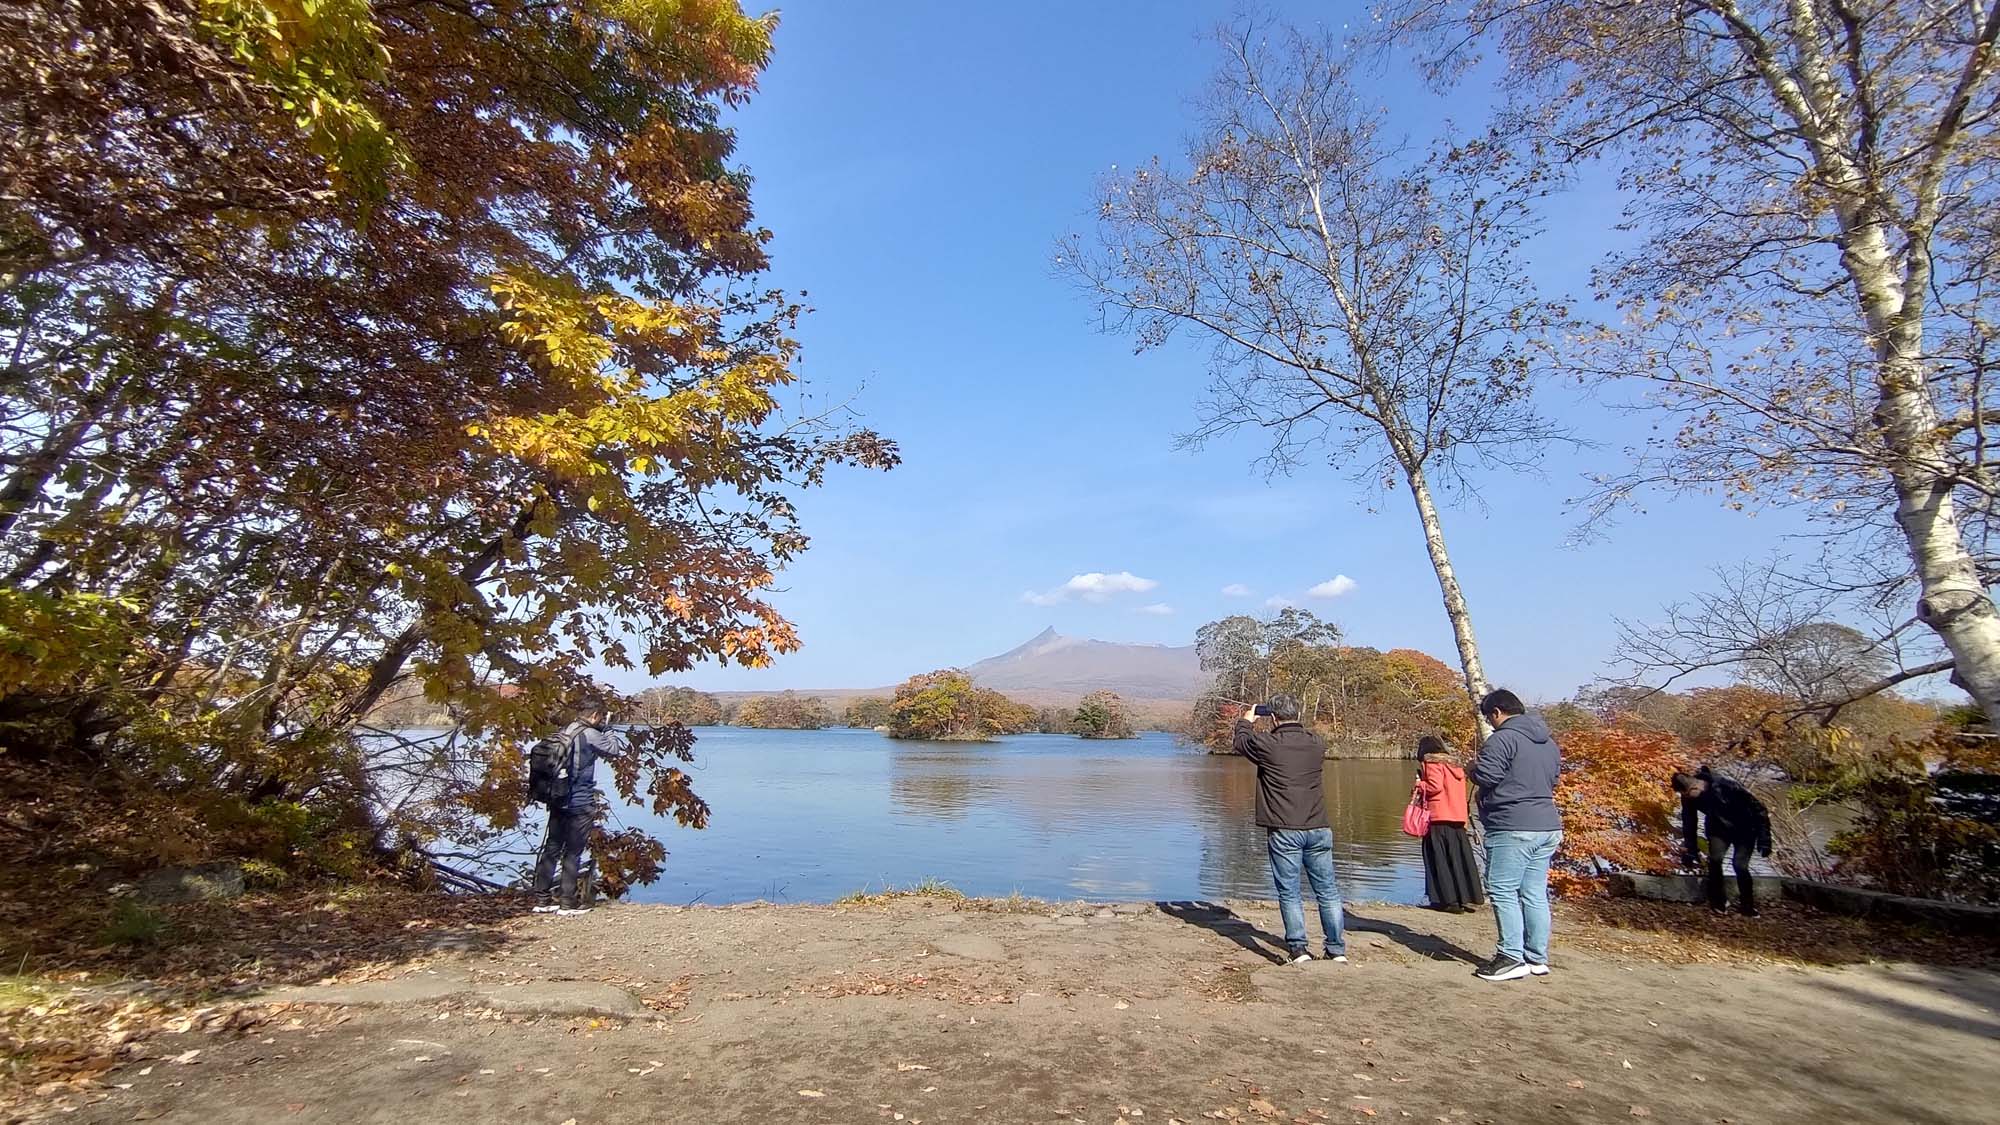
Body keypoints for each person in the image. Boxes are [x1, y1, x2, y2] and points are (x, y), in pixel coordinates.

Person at [1233, 693, 1347, 965]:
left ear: (1273, 717)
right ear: (1298, 714)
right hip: (1318, 826)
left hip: (1285, 829)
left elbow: (1241, 743)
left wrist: (1246, 721)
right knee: (1328, 890)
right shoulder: (1316, 744)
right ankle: (1336, 950)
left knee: (1289, 891)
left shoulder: (1268, 745)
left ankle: (1299, 949)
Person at [1468, 688, 1562, 983]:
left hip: (1512, 825)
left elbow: (1487, 776)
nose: (1490, 723)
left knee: (1502, 890)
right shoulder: (1548, 743)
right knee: (1534, 893)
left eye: (1488, 717)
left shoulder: (1503, 739)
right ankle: (1536, 957)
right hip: (1547, 825)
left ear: (1496, 712)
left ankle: (1510, 956)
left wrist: (1472, 768)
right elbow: (1554, 779)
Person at [532, 697, 618, 915]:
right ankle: (567, 904)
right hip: (579, 801)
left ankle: (541, 901)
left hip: (557, 798)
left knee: (552, 848)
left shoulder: (567, 730)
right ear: (595, 716)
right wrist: (608, 728)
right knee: (573, 852)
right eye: (600, 717)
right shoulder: (590, 734)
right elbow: (614, 749)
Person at [1673, 765, 1773, 917]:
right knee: (1715, 860)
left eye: (1686, 794)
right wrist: (1692, 850)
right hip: (1718, 830)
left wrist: (1765, 839)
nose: (1685, 798)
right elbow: (1689, 823)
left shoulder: (1725, 786)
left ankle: (1747, 906)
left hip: (1745, 828)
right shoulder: (1689, 798)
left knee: (1740, 865)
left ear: (1695, 787)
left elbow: (1759, 808)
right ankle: (1718, 902)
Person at [1415, 735, 1484, 914]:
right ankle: (1464, 898)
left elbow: (1434, 787)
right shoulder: (1455, 767)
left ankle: (1446, 901)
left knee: (1438, 860)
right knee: (1458, 860)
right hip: (1457, 819)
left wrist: (1419, 785)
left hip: (1438, 817)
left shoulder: (1431, 764)